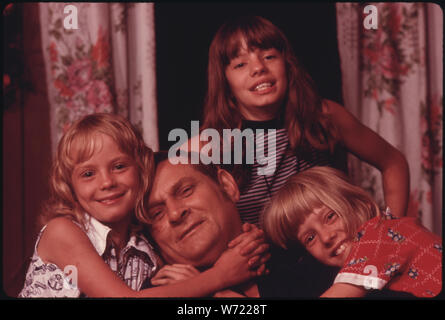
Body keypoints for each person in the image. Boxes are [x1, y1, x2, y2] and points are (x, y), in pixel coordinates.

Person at [186, 15, 409, 226]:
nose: (259, 68)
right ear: (225, 83)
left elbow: (393, 162)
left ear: (287, 65)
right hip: (261, 265)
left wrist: (391, 235)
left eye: (269, 56)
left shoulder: (323, 116)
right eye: (240, 64)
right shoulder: (206, 147)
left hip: (335, 255)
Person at [18, 113, 268, 298]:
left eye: (119, 166)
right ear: (69, 187)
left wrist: (249, 239)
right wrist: (220, 276)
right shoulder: (63, 231)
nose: (106, 182)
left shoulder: (145, 244)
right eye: (88, 174)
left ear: (141, 171)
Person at [141, 152, 338, 297]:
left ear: (226, 185)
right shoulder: (158, 291)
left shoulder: (310, 252)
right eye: (157, 213)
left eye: (186, 191)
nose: (175, 213)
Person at [263, 166, 442, 298]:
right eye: (310, 238)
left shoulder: (379, 236)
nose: (326, 237)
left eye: (330, 217)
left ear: (360, 204)